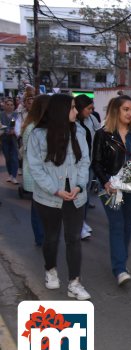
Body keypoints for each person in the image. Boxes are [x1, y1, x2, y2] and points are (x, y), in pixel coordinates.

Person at [27, 93, 91, 300]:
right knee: (51, 237)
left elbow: (84, 162)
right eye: (72, 108)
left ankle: (75, 283)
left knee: (73, 239)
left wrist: (80, 187)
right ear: (60, 111)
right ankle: (51, 269)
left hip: (75, 196)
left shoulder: (79, 131)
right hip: (48, 198)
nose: (76, 111)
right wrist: (55, 189)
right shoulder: (37, 135)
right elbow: (36, 169)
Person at [92, 95, 131, 286]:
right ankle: (120, 268)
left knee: (127, 225)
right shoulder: (102, 134)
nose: (130, 113)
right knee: (117, 225)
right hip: (110, 189)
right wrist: (106, 182)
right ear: (116, 110)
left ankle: (121, 261)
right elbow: (96, 163)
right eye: (126, 109)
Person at [20, 94, 51, 247]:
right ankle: (40, 237)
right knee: (38, 208)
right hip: (34, 174)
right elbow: (30, 153)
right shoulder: (33, 128)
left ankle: (42, 235)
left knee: (40, 207)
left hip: (39, 173)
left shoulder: (39, 126)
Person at [74, 94, 101, 240]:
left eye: (92, 108)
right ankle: (79, 225)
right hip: (76, 166)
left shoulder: (92, 119)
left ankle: (82, 222)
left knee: (85, 195)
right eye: (88, 108)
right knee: (78, 196)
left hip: (89, 163)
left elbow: (99, 133)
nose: (91, 111)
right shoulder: (72, 122)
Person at [1, 98, 20, 184]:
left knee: (14, 157)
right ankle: (10, 174)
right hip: (4, 139)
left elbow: (15, 125)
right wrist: (7, 130)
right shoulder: (1, 115)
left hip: (13, 139)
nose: (9, 107)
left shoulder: (16, 114)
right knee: (8, 158)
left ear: (14, 106)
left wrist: (12, 130)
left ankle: (14, 175)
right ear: (4, 106)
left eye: (11, 105)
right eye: (7, 105)